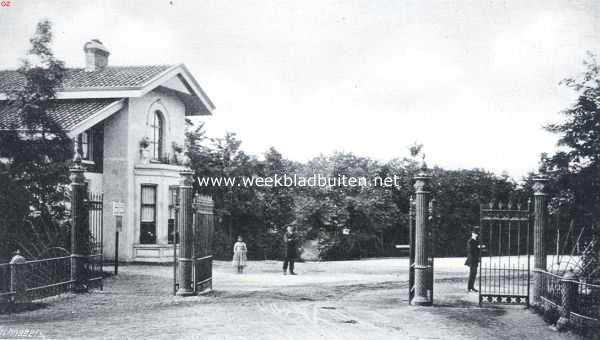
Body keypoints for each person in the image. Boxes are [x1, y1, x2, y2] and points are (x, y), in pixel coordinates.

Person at [465, 226, 481, 292]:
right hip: (472, 259)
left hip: (474, 259)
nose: (477, 235)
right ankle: (469, 287)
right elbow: (470, 250)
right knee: (472, 273)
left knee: (474, 273)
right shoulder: (471, 240)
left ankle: (471, 287)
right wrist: (478, 247)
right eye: (476, 233)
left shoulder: (474, 240)